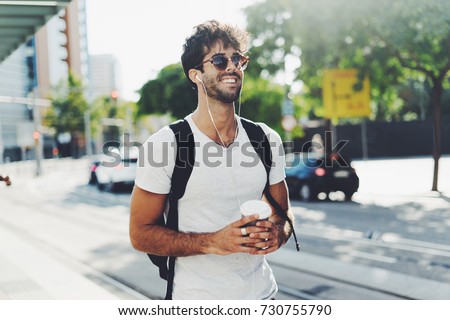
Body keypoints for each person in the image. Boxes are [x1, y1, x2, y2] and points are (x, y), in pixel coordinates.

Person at [129, 20, 295, 300]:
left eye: (237, 59)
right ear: (196, 74)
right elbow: (141, 235)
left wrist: (279, 233)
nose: (232, 67)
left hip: (264, 297)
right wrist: (212, 242)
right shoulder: (166, 145)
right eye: (219, 60)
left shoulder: (265, 139)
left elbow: (285, 215)